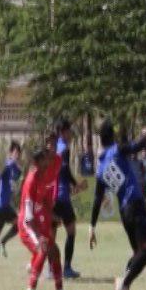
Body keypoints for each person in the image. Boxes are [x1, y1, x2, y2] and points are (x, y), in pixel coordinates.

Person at [89, 121, 146, 290]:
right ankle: (124, 283)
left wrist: (92, 227)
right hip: (135, 204)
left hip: (124, 212)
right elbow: (138, 146)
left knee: (137, 253)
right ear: (112, 136)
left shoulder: (100, 169)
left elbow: (97, 199)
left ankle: (123, 287)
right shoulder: (118, 150)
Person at [18, 148, 72, 290]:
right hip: (27, 225)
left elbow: (41, 205)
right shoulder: (30, 181)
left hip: (37, 223)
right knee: (44, 248)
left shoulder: (43, 178)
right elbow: (28, 216)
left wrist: (52, 216)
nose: (47, 162)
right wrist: (40, 235)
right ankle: (31, 289)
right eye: (43, 160)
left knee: (54, 251)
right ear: (36, 163)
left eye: (47, 160)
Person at [53, 119, 87, 279]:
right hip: (62, 196)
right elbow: (64, 169)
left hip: (53, 196)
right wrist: (75, 184)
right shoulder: (64, 149)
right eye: (69, 131)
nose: (71, 134)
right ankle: (66, 268)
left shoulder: (54, 147)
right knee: (71, 231)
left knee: (51, 234)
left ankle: (50, 269)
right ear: (63, 132)